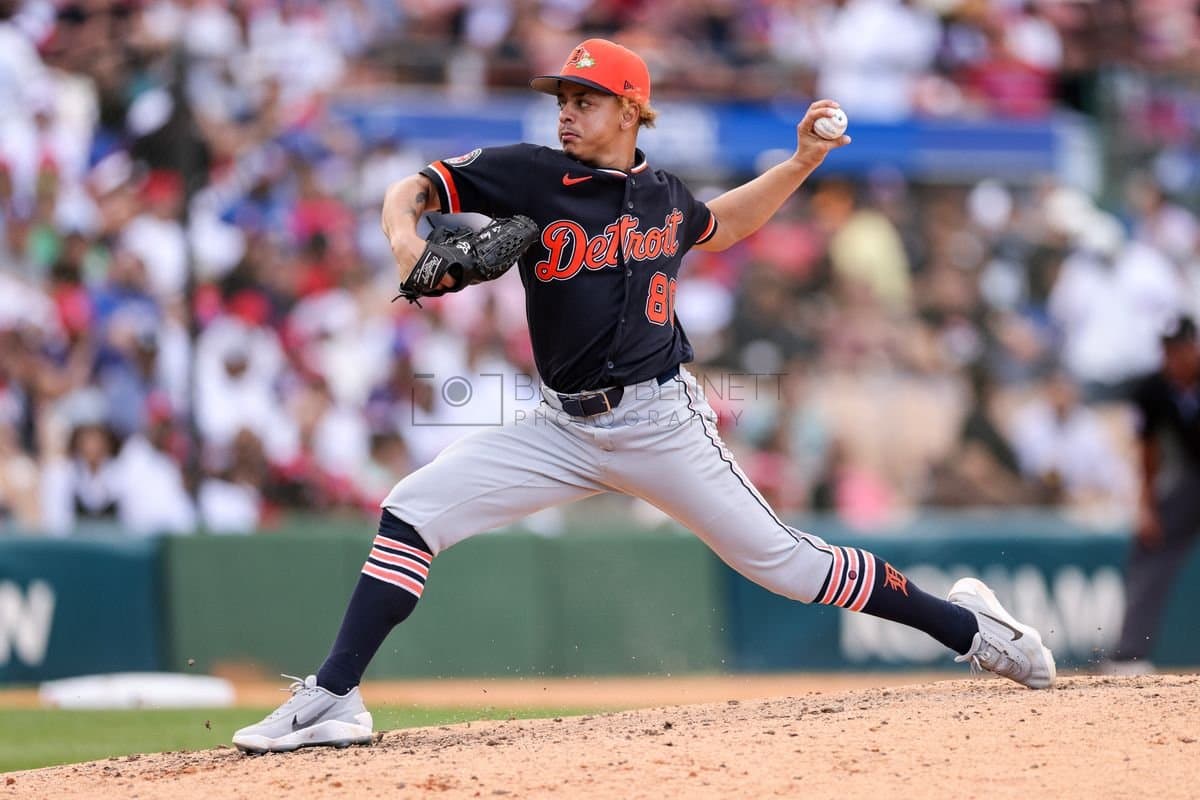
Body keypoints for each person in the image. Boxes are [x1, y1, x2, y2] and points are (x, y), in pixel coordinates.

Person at [232, 38, 1056, 754]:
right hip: (559, 426)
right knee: (414, 508)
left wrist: (802, 162)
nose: (566, 112)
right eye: (562, 97)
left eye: (584, 100)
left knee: (789, 567)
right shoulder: (528, 174)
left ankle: (975, 630)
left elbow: (721, 226)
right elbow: (408, 189)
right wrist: (405, 238)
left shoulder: (662, 194)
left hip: (661, 420)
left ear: (629, 109)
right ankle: (335, 695)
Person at [1108, 315, 1200, 673]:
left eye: (1179, 351)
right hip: (1192, 479)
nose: (1172, 360)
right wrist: (1147, 506)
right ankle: (1129, 654)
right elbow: (1149, 452)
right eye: (1167, 352)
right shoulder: (1154, 389)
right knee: (1150, 546)